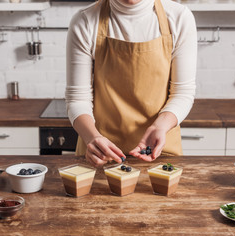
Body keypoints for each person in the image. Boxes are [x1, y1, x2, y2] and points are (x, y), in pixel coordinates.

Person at [66, 0, 197, 167]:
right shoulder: (85, 21)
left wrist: (161, 126)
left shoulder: (179, 18)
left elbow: (182, 93)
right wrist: (93, 137)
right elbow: (78, 98)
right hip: (101, 153)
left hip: (161, 151)